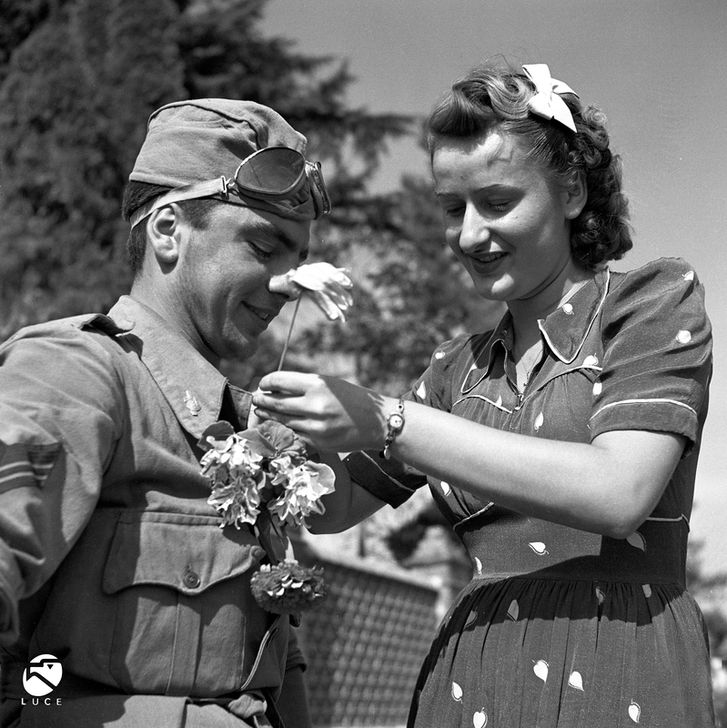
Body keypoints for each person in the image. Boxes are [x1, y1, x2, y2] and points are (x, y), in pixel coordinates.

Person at [252, 61, 715, 726]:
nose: (468, 235)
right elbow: (333, 506)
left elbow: (619, 493)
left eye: (497, 203)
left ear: (573, 194)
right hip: (473, 678)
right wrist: (262, 440)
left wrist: (387, 418)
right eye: (451, 209)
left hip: (622, 665)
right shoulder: (454, 370)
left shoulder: (650, 302)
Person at [0, 98, 331, 727]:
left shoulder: (244, 432)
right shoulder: (76, 372)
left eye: (298, 258)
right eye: (265, 246)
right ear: (168, 231)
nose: (290, 284)